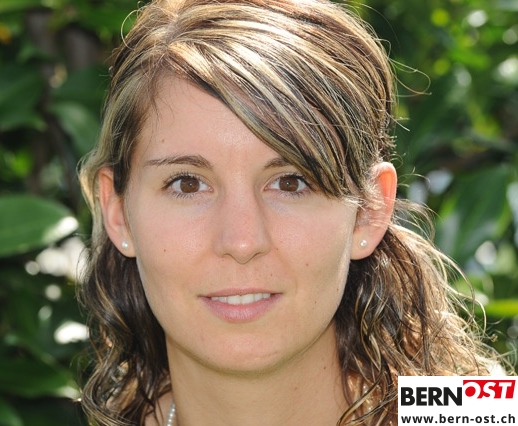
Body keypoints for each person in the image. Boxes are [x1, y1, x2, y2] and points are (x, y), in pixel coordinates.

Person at [78, 0, 506, 424]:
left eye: (290, 182)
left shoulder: (486, 414)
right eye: (187, 184)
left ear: (369, 210)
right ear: (118, 212)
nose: (241, 242)